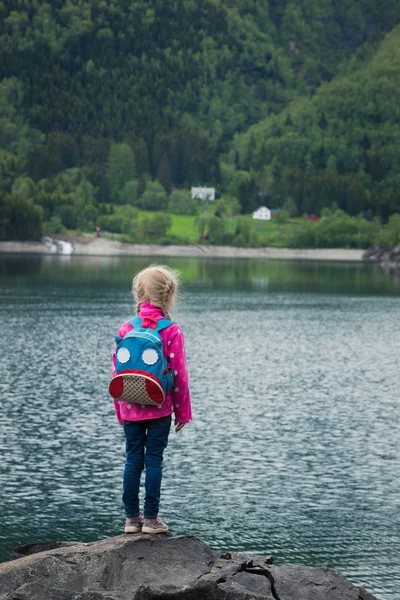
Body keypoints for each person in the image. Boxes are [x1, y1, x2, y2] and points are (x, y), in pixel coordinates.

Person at [111, 265, 192, 534]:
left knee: (133, 459)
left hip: (130, 408)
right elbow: (180, 377)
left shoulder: (126, 328)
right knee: (154, 459)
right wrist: (183, 413)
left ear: (138, 294)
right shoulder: (172, 331)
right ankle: (152, 520)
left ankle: (131, 520)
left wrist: (119, 411)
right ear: (169, 296)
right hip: (160, 407)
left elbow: (116, 373)